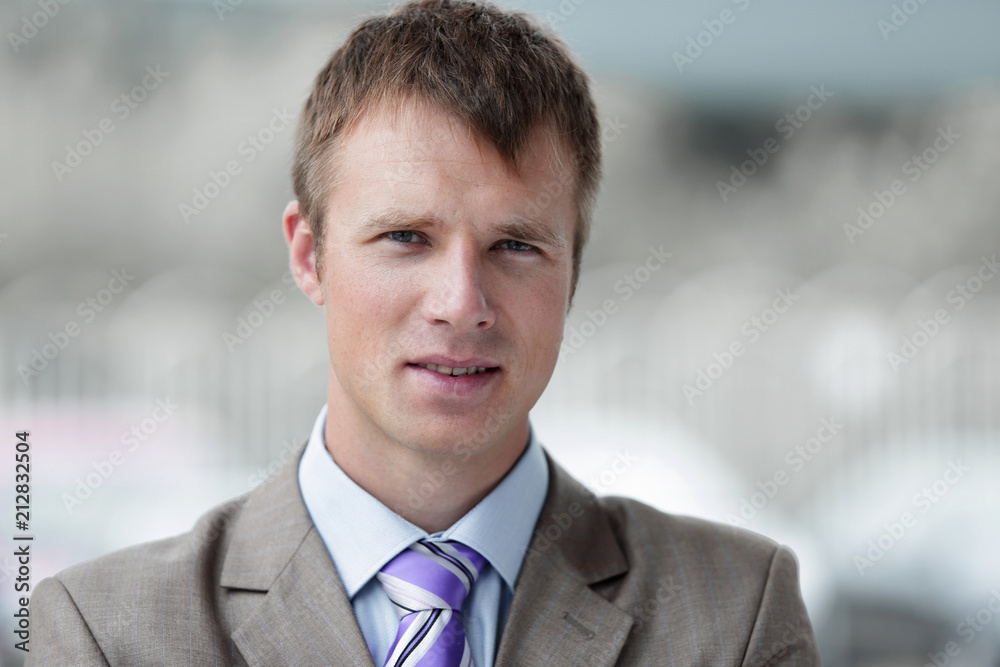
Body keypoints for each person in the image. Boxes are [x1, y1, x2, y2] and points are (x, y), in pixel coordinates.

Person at [27, 1, 820, 664]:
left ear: (572, 271)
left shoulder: (734, 615)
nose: (461, 301)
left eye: (515, 245)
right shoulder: (106, 632)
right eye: (406, 237)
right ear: (309, 255)